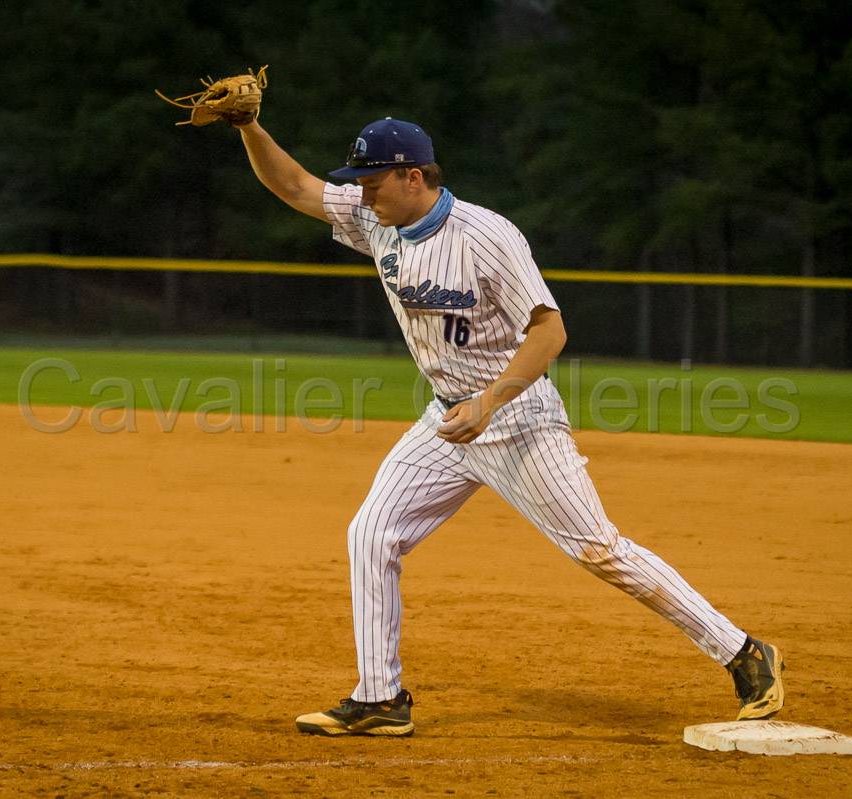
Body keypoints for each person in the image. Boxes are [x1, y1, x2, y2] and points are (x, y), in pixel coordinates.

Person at [233, 115, 785, 737]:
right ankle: (381, 698)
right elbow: (296, 187)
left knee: (600, 550)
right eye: (357, 182)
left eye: (373, 181)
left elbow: (550, 332)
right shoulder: (374, 217)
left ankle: (744, 652)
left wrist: (489, 403)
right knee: (371, 534)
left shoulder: (485, 235)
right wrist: (248, 125)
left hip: (517, 418)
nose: (361, 193)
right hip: (446, 418)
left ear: (413, 176)